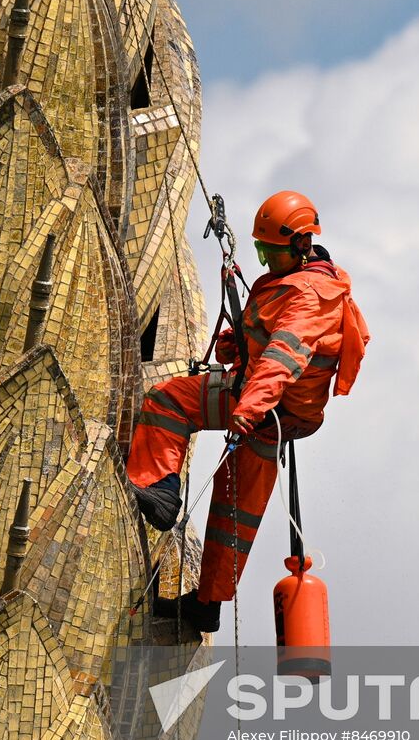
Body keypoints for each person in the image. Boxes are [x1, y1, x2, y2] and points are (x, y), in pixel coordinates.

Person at [128, 190, 370, 632]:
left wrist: (249, 407)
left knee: (168, 401)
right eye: (260, 251)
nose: (263, 261)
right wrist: (235, 343)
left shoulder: (312, 297)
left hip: (268, 408)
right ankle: (208, 605)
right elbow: (264, 335)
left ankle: (159, 490)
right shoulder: (293, 280)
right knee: (233, 514)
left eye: (269, 253)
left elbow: (284, 355)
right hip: (268, 407)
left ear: (299, 246)